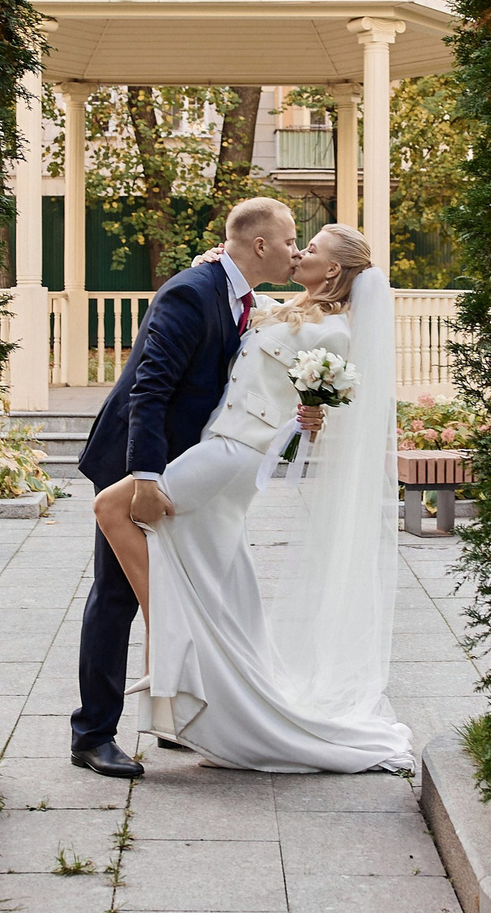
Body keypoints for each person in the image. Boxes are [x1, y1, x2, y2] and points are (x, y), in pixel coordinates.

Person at [95, 222, 411, 774]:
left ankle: (172, 631)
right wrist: (214, 260)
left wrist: (311, 415)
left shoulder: (332, 333)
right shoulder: (289, 309)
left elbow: (326, 410)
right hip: (221, 445)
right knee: (215, 573)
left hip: (233, 452)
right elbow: (243, 302)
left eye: (309, 249)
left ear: (333, 270)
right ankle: (209, 702)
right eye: (296, 243)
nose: (299, 253)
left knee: (111, 508)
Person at [69, 198, 300, 779]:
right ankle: (92, 735)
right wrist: (144, 477)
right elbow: (149, 388)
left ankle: (170, 718)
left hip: (185, 466)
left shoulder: (246, 299)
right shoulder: (190, 292)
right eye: (291, 238)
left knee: (179, 584)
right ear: (260, 246)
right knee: (117, 596)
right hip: (136, 456)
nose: (296, 248)